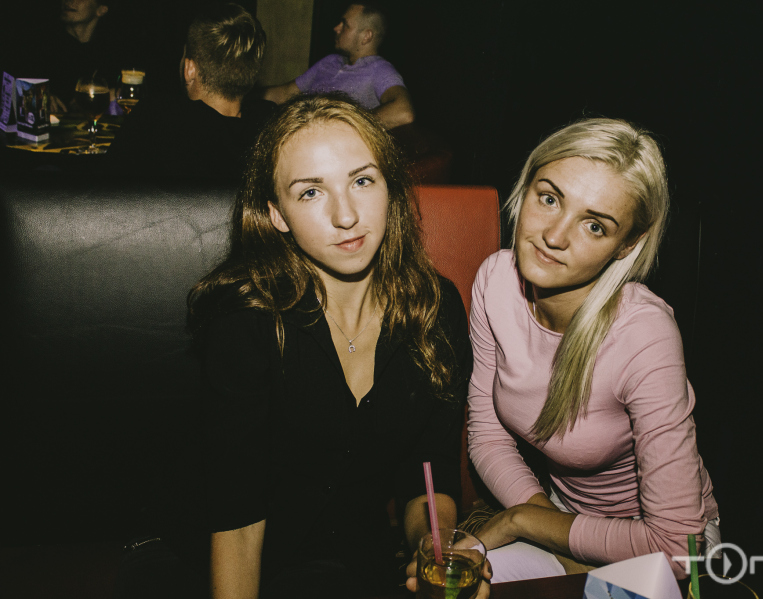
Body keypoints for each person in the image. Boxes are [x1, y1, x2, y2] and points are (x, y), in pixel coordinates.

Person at [188, 95, 487, 598]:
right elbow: (236, 518)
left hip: (359, 562)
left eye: (362, 181)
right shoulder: (244, 322)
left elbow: (427, 476)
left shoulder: (435, 310)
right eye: (310, 192)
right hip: (238, 563)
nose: (346, 215)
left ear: (390, 188)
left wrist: (431, 546)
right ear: (276, 215)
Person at [466, 118, 720, 582]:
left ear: (627, 245)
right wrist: (545, 523)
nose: (554, 236)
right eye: (549, 199)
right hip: (562, 519)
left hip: (656, 550)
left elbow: (679, 547)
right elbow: (487, 436)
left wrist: (521, 521)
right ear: (526, 187)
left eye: (595, 226)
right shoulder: (495, 281)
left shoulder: (643, 335)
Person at [107, 3, 273, 183]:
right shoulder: (271, 130)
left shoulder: (155, 121)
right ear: (251, 75)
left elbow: (104, 189)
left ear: (190, 69)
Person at [263, 3, 414, 130]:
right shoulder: (330, 61)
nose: (336, 28)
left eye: (345, 25)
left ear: (366, 36)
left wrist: (343, 128)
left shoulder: (379, 69)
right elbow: (286, 93)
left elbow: (403, 111)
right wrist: (251, 92)